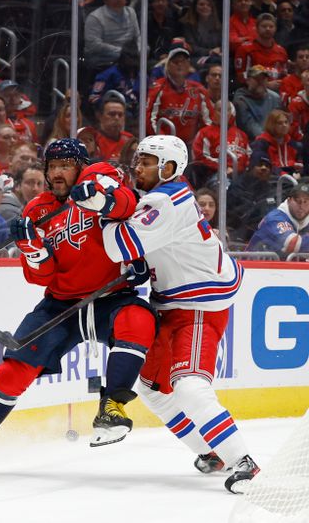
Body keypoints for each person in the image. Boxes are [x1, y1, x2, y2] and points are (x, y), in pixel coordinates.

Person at [0, 138, 157, 466]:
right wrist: (34, 250)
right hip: (61, 306)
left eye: (66, 166)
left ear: (80, 166)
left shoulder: (98, 176)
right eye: (53, 167)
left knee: (139, 320)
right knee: (15, 368)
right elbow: (40, 277)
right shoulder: (37, 210)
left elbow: (128, 202)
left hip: (111, 297)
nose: (58, 173)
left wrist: (101, 200)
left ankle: (112, 407)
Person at [88, 134, 258, 493]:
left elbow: (118, 245)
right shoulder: (157, 198)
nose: (138, 166)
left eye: (147, 160)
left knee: (191, 388)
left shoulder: (169, 199)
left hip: (198, 306)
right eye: (138, 159)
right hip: (172, 304)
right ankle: (212, 452)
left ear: (168, 168)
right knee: (151, 388)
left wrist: (100, 210)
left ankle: (244, 461)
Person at [146, 44, 214, 145]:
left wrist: (199, 143)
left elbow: (209, 122)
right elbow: (149, 120)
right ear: (168, 65)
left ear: (189, 66)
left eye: (183, 61)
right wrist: (165, 142)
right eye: (175, 61)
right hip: (163, 145)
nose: (179, 65)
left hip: (191, 146)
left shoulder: (198, 90)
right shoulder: (158, 88)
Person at [190, 101, 251, 189]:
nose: (224, 113)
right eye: (220, 110)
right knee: (226, 187)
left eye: (227, 110)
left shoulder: (241, 134)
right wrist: (224, 167)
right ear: (214, 112)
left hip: (240, 175)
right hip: (215, 175)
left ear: (231, 112)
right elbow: (200, 158)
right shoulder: (204, 133)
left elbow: (249, 156)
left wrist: (238, 169)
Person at [247, 178, 309, 257]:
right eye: (297, 201)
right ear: (289, 201)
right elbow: (292, 244)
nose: (301, 206)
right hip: (252, 266)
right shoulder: (275, 218)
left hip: (279, 267)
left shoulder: (305, 219)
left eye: (306, 201)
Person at [84, 0, 141, 71]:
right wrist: (122, 52)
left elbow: (138, 37)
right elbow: (94, 46)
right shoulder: (94, 17)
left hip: (129, 59)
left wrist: (140, 49)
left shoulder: (131, 13)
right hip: (104, 62)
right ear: (105, 0)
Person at [234, 13, 288, 88]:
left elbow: (284, 75)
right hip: (251, 92)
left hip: (277, 91)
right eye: (264, 26)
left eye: (271, 26)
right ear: (256, 28)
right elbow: (241, 76)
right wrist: (265, 85)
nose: (268, 29)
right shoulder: (245, 49)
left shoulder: (281, 51)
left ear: (275, 29)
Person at [233, 64, 283, 140]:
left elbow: (280, 121)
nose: (260, 82)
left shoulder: (275, 98)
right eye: (257, 78)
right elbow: (250, 128)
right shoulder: (241, 100)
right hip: (251, 142)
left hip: (273, 140)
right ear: (248, 81)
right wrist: (269, 140)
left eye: (263, 79)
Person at [250, 109, 302, 174]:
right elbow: (262, 166)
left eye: (286, 122)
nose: (284, 125)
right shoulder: (261, 143)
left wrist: (299, 170)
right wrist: (284, 174)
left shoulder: (292, 143)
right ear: (271, 125)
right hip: (272, 177)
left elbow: (301, 160)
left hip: (292, 175)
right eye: (280, 123)